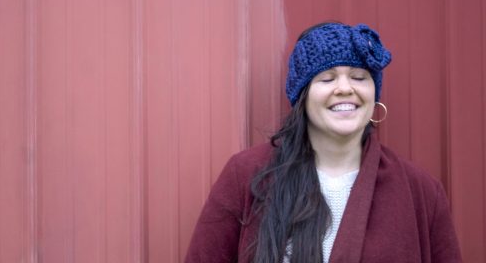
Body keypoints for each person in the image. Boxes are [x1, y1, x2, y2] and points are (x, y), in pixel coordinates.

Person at [184, 22, 462, 263]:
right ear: (302, 97)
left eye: (359, 77)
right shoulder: (246, 175)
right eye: (327, 78)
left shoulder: (421, 192)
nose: (345, 88)